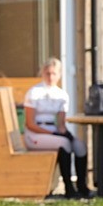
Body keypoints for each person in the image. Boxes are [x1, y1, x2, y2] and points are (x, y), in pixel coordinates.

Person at [23, 57, 89, 198]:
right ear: (42, 73)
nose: (51, 77)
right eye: (48, 73)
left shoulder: (62, 95)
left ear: (59, 75)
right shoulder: (34, 92)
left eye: (54, 74)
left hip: (52, 131)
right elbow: (30, 124)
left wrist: (64, 134)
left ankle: (82, 185)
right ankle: (68, 187)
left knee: (79, 146)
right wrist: (54, 134)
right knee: (64, 144)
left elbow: (61, 124)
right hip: (35, 133)